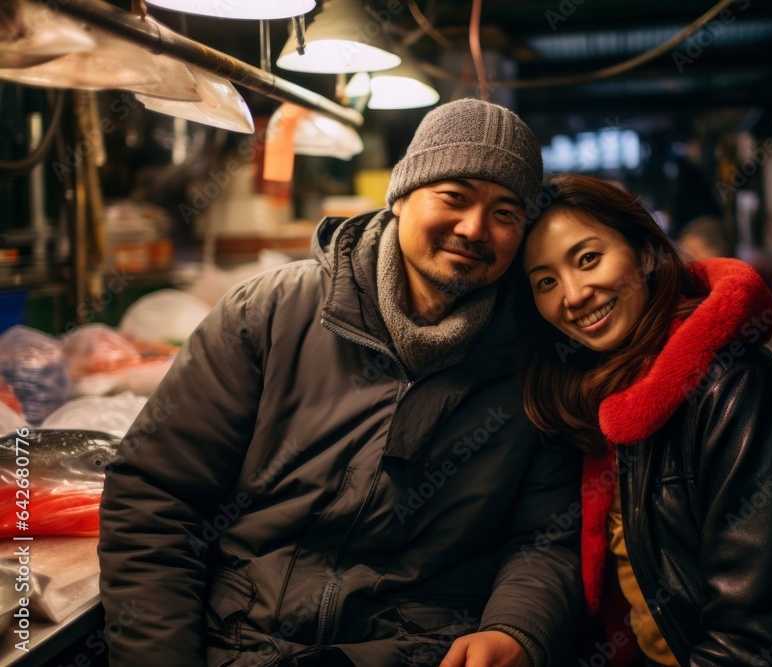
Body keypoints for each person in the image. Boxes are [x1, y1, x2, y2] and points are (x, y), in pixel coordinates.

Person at [98, 99, 582, 667]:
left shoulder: (537, 361)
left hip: (417, 651)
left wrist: (517, 627)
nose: (474, 228)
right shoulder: (270, 313)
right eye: (454, 197)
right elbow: (156, 497)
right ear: (401, 196)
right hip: (238, 643)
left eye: (505, 213)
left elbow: (548, 537)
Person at [518, 174, 772, 666]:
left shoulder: (731, 387)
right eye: (546, 281)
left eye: (588, 259)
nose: (574, 294)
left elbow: (753, 639)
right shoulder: (596, 400)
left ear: (646, 254)